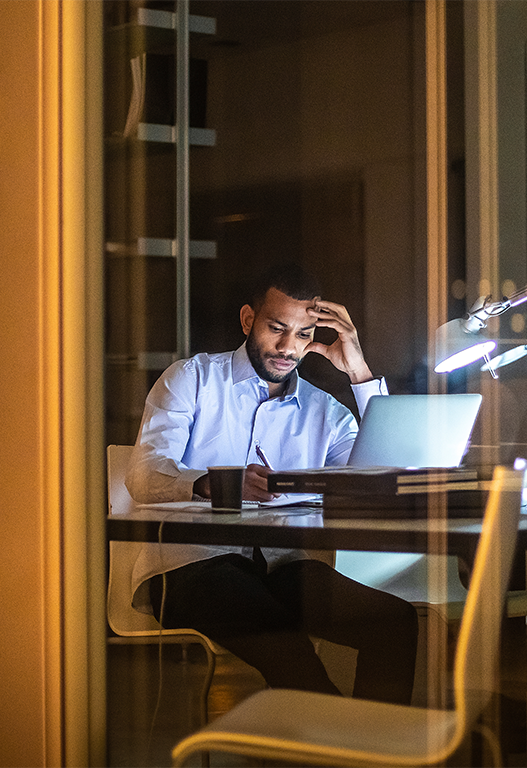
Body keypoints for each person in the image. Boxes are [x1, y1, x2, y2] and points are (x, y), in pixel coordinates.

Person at [126, 264, 418, 705]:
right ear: (248, 321)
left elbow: (388, 478)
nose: (287, 347)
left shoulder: (327, 411)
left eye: (302, 334)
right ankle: (344, 750)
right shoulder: (192, 378)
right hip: (192, 567)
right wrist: (215, 484)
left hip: (285, 567)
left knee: (394, 622)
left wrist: (357, 369)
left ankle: (369, 747)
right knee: (287, 644)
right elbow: (143, 475)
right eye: (276, 328)